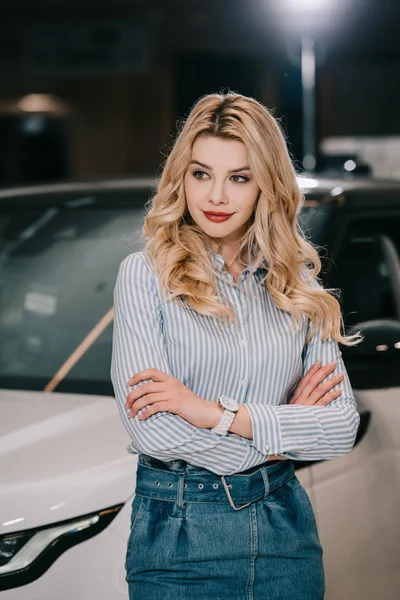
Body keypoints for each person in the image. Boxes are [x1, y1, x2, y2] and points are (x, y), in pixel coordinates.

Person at [110, 91, 362, 600]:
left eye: (239, 177)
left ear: (265, 185)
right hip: (179, 532)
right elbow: (154, 431)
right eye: (202, 173)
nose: (217, 197)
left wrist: (210, 412)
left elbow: (339, 429)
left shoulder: (298, 287)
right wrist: (282, 428)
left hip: (284, 529)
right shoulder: (144, 277)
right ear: (182, 177)